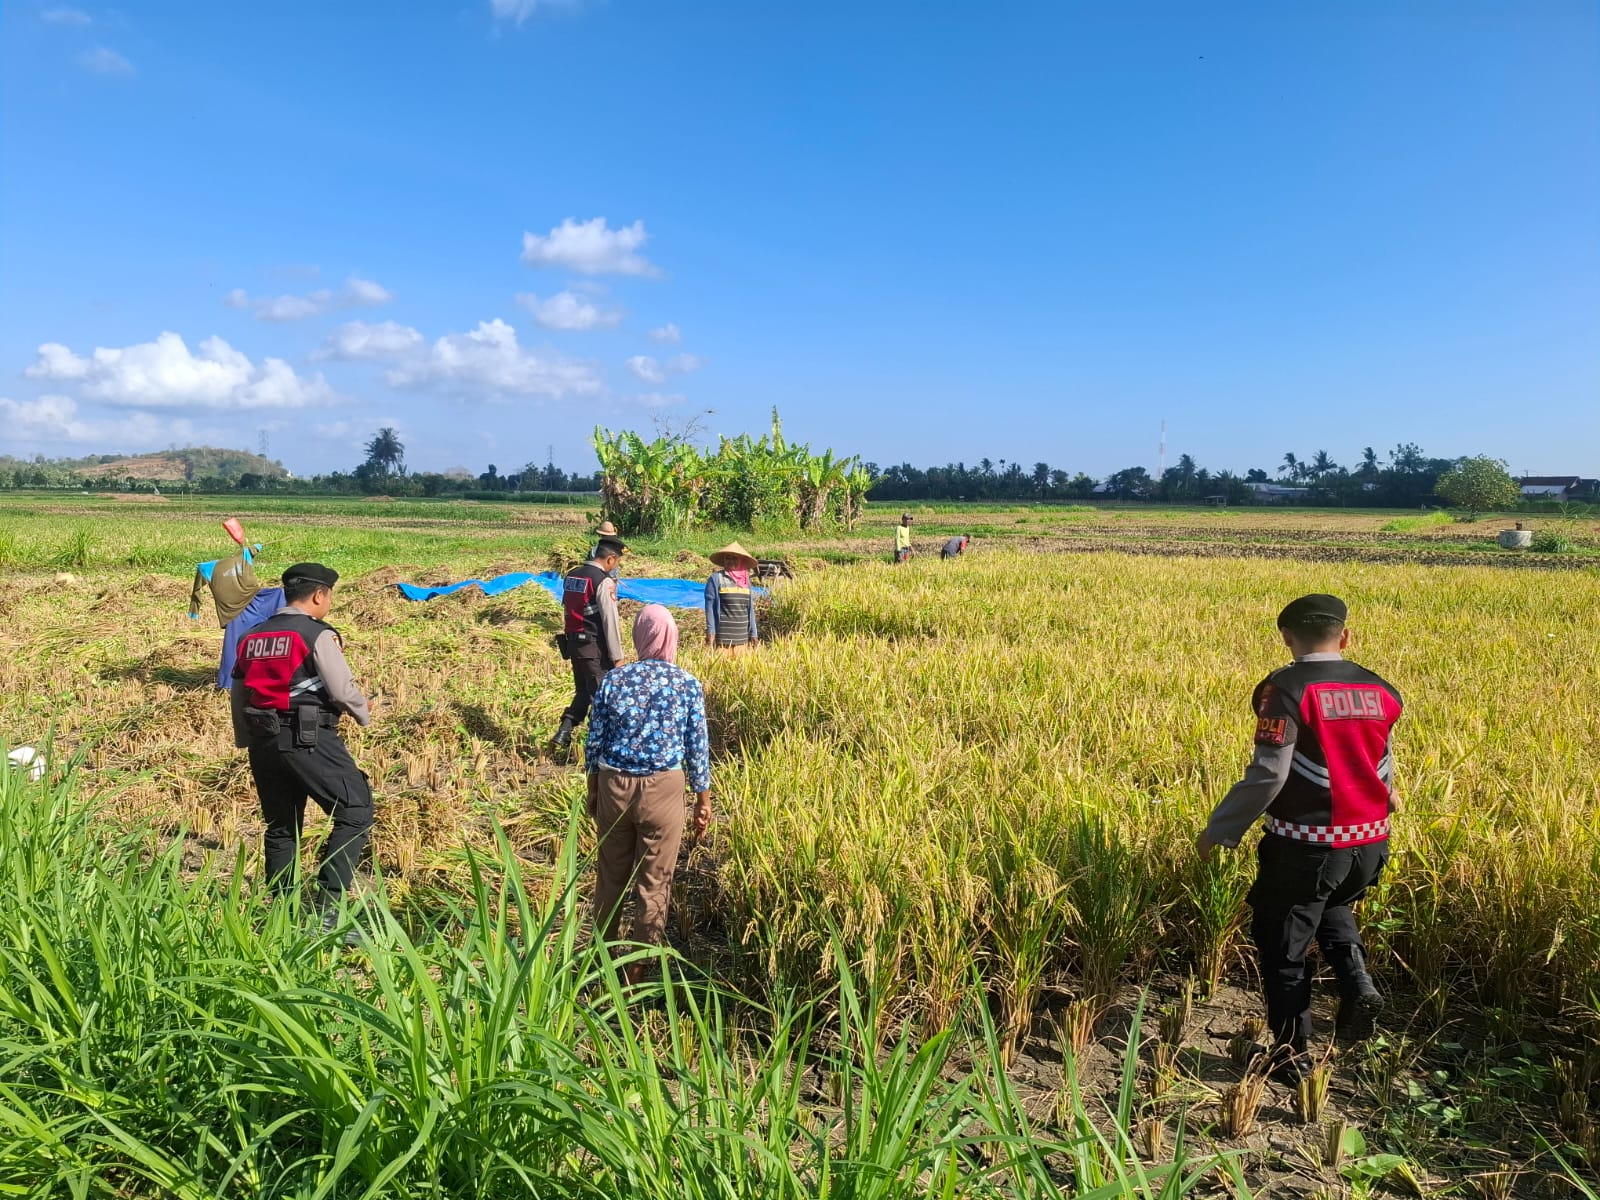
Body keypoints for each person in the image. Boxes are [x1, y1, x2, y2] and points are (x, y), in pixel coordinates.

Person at [1197, 594, 1402, 1080]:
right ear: (1346, 636)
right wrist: (1389, 795)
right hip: (1370, 844)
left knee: (1283, 944)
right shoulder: (1380, 689)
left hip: (1306, 843)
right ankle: (1357, 986)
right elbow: (1381, 756)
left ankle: (1292, 1056)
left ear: (1287, 638)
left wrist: (1220, 829)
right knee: (1329, 902)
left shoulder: (1283, 690)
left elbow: (1269, 774)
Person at [230, 563, 375, 941]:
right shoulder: (316, 634)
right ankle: (329, 909)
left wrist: (245, 740)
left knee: (282, 826)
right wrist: (364, 714)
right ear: (318, 595)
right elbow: (341, 689)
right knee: (355, 809)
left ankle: (281, 914)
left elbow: (238, 693)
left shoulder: (252, 636)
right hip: (307, 735)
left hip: (263, 741)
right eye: (329, 596)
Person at [585, 605, 712, 978]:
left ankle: (601, 962)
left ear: (639, 637)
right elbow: (697, 748)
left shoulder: (613, 681)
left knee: (610, 878)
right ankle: (637, 969)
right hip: (663, 790)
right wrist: (702, 802)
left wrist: (594, 789)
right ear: (671, 637)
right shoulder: (686, 684)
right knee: (655, 882)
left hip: (614, 786)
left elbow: (595, 742)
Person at [553, 534, 625, 749]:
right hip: (594, 647)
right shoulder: (602, 581)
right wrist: (617, 657)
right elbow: (609, 621)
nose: (615, 567)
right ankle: (597, 747)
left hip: (574, 645)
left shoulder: (573, 575)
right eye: (617, 562)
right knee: (601, 697)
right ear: (610, 559)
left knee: (584, 691)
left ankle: (564, 732)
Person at [704, 541, 759, 651]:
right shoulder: (716, 579)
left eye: (735, 558)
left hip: (742, 641)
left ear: (741, 560)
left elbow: (750, 609)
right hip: (723, 642)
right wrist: (711, 633)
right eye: (728, 558)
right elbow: (710, 609)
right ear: (723, 560)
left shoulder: (746, 581)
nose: (731, 561)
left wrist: (754, 633)